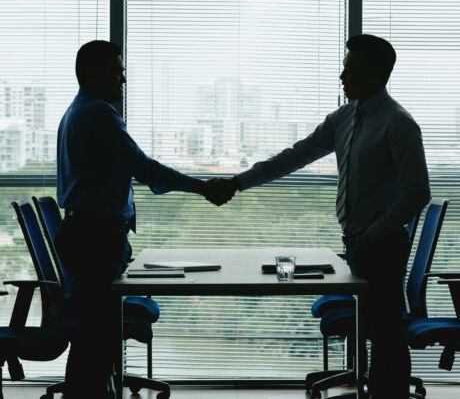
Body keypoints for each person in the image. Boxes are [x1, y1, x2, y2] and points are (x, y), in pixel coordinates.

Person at [209, 34, 431, 398]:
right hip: (357, 241)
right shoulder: (343, 118)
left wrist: (374, 233)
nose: (341, 78)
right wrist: (238, 182)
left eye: (350, 70)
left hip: (382, 243)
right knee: (378, 327)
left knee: (387, 333)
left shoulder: (397, 124)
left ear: (375, 74)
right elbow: (295, 156)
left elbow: (416, 192)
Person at [55, 40, 220, 399]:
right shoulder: (97, 113)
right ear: (94, 73)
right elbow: (143, 168)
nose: (124, 79)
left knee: (92, 339)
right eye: (117, 71)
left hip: (89, 234)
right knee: (95, 341)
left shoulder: (77, 111)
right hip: (94, 238)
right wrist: (202, 188)